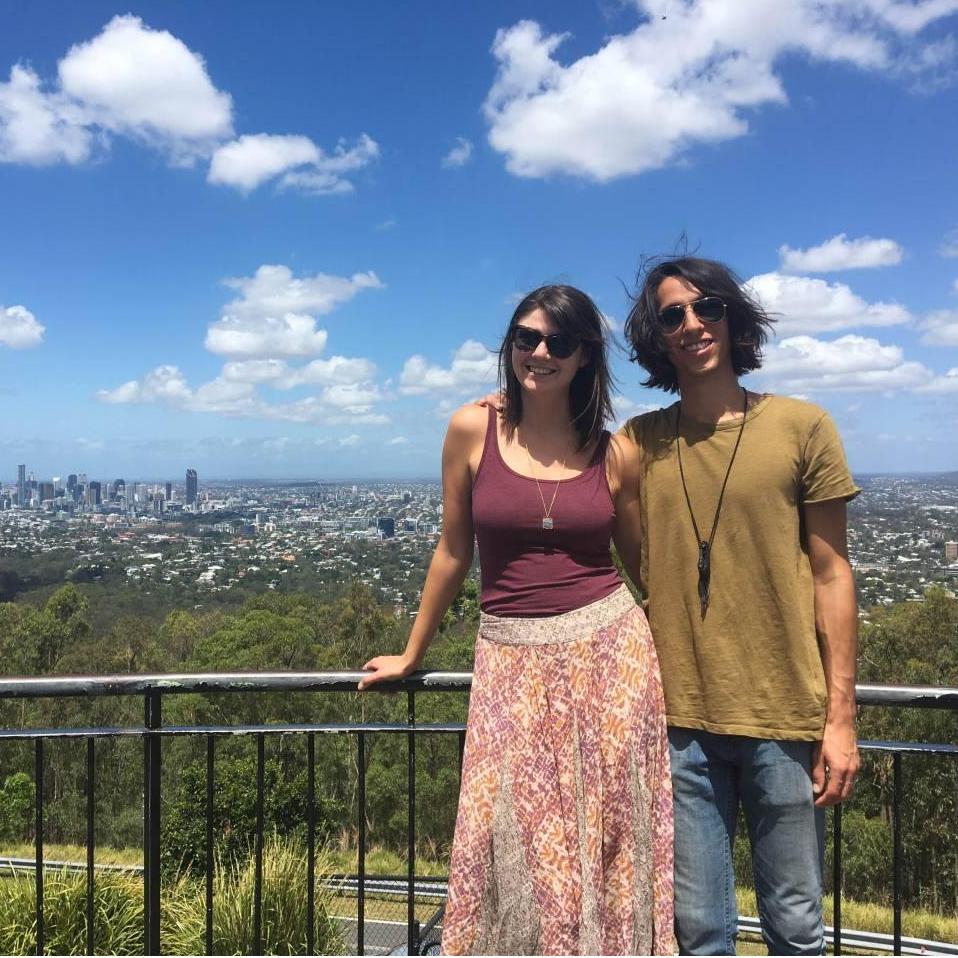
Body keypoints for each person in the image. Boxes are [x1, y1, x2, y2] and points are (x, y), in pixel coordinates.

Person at [359, 285, 676, 955]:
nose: (539, 352)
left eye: (558, 342)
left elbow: (645, 571)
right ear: (509, 347)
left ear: (586, 356)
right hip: (509, 656)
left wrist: (687, 656)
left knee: (606, 834)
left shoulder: (614, 454)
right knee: (510, 834)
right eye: (526, 338)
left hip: (609, 656)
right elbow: (453, 550)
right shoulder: (472, 428)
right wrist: (413, 651)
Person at [621, 256, 860, 956]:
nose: (692, 324)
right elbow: (575, 479)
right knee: (696, 932)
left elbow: (832, 574)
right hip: (677, 722)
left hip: (784, 716)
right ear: (656, 337)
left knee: (795, 925)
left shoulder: (801, 427)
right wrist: (505, 408)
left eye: (707, 308)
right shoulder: (639, 443)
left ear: (734, 318)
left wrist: (840, 718)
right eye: (673, 315)